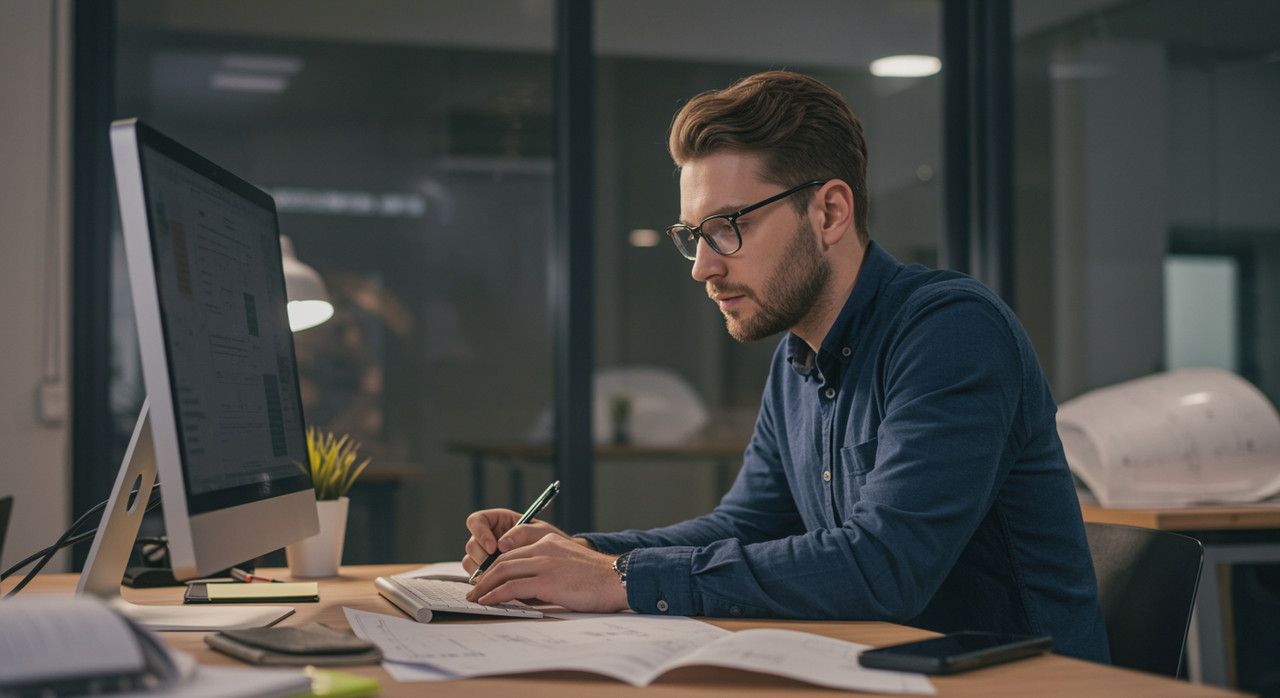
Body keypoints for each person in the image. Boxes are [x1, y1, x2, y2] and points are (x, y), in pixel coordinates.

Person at [462, 70, 1109, 663]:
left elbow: (884, 568)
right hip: (881, 676)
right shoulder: (796, 358)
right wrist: (578, 553)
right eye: (693, 236)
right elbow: (743, 526)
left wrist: (619, 581)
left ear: (829, 212)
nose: (703, 267)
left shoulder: (951, 332)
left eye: (726, 227)